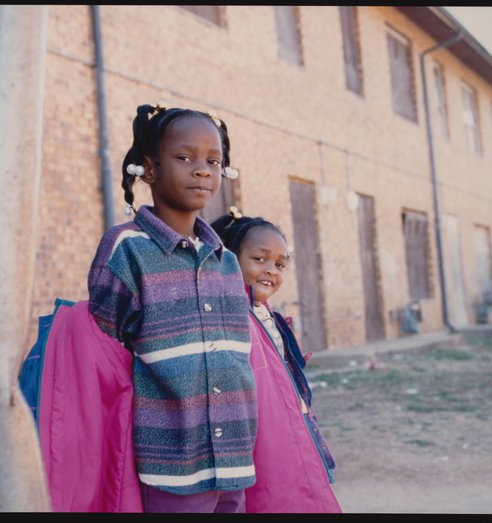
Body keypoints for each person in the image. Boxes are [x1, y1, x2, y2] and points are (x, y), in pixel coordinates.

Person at [84, 103, 257, 513]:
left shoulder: (227, 260)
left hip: (234, 454)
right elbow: (104, 357)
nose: (202, 170)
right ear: (149, 169)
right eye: (184, 157)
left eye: (213, 161)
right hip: (169, 464)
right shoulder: (126, 249)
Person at [210, 209, 342, 513]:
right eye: (259, 259)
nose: (271, 270)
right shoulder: (230, 316)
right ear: (229, 260)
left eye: (280, 264)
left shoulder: (267, 315)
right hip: (257, 437)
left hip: (288, 430)